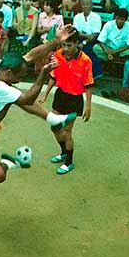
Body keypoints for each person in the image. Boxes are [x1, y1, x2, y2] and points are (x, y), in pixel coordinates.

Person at [0, 25, 78, 183]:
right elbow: (27, 99)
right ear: (9, 72)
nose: (20, 80)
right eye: (19, 77)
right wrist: (43, 74)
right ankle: (9, 162)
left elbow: (29, 57)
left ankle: (53, 119)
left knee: (11, 92)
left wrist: (55, 41)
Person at [38, 29, 93, 174]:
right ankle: (63, 152)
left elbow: (88, 85)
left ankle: (69, 162)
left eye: (69, 45)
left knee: (67, 132)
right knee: (54, 127)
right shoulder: (58, 55)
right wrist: (45, 94)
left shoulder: (85, 60)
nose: (66, 49)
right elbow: (53, 76)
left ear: (76, 43)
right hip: (60, 95)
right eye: (64, 45)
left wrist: (88, 107)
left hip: (74, 99)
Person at [92, 8, 129, 79]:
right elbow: (101, 41)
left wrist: (114, 52)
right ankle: (110, 59)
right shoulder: (109, 24)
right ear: (115, 18)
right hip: (108, 49)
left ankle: (110, 59)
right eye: (118, 18)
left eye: (122, 19)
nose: (120, 21)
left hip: (121, 51)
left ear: (126, 19)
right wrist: (108, 51)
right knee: (95, 47)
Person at [72, 0, 102, 77]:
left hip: (92, 41)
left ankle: (91, 75)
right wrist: (87, 36)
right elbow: (76, 32)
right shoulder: (77, 17)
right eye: (83, 5)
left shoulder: (96, 17)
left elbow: (95, 35)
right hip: (79, 39)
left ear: (92, 5)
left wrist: (85, 42)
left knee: (89, 51)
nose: (85, 6)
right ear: (81, 5)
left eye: (87, 5)